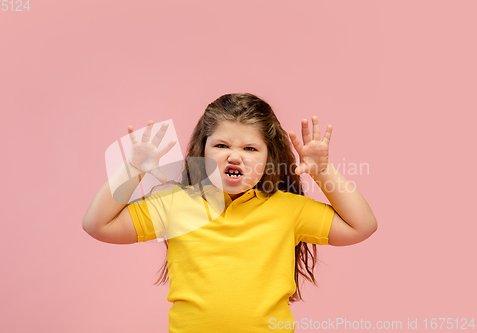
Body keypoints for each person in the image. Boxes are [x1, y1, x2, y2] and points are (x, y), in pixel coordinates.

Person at [82, 93, 377, 332]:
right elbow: (97, 224)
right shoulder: (174, 204)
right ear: (203, 150)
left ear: (269, 158)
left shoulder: (288, 209)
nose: (234, 155)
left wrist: (323, 171)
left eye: (250, 148)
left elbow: (361, 226)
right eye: (221, 145)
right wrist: (132, 170)